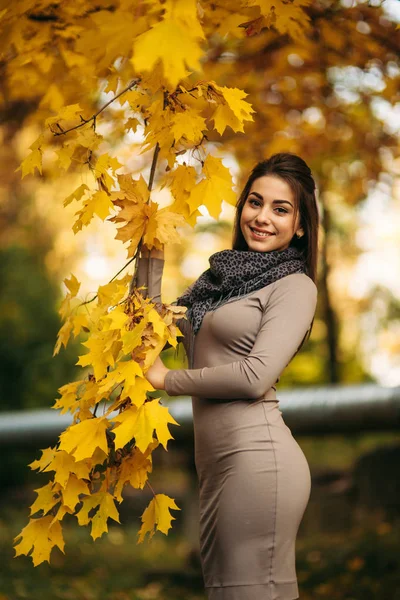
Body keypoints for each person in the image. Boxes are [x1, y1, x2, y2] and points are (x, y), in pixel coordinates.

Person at [135, 152, 319, 600]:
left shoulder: (295, 287)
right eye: (255, 202)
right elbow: (146, 331)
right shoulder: (214, 286)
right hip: (217, 467)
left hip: (259, 461)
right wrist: (150, 251)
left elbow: (255, 376)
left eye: (280, 209)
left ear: (299, 226)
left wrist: (166, 381)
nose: (261, 217)